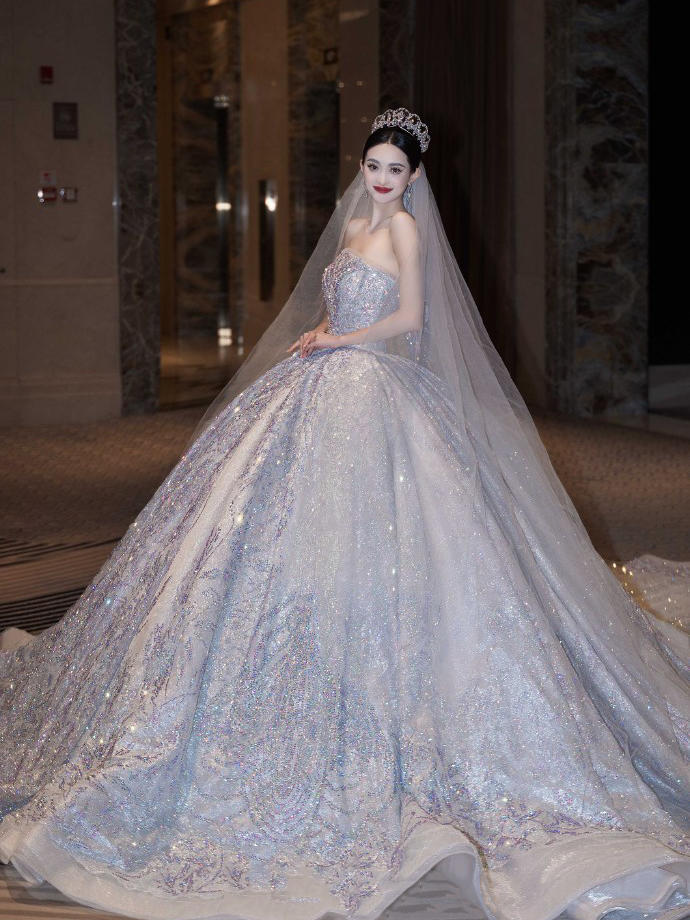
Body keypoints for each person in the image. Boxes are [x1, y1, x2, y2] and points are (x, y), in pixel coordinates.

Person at [0, 108, 688, 920]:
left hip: (372, 389)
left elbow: (410, 319)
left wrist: (343, 341)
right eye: (373, 166)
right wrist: (324, 331)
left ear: (414, 176)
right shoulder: (357, 225)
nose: (382, 180)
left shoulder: (407, 233)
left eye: (396, 170)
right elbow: (346, 303)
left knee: (399, 538)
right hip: (326, 379)